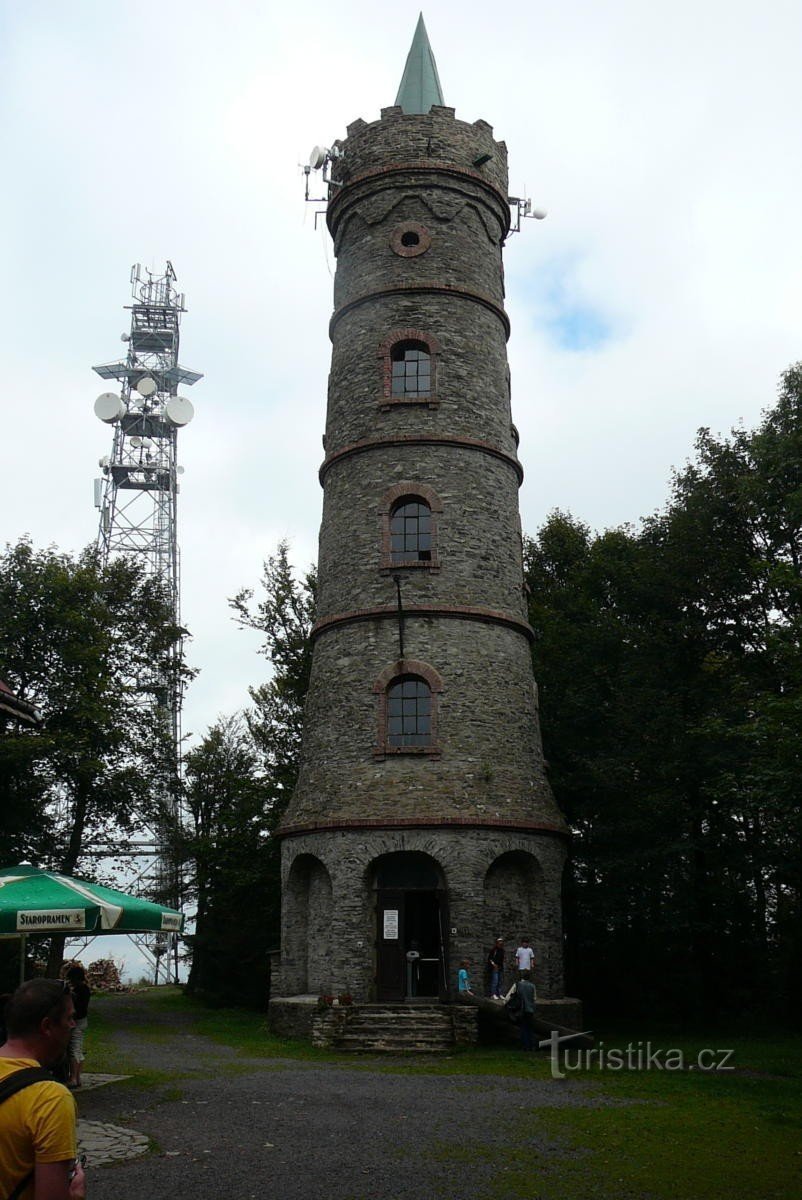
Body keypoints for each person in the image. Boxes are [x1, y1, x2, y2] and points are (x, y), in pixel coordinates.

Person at [0, 979, 86, 1199]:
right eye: (69, 1018)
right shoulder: (49, 1099)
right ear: (47, 1026)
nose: (73, 1025)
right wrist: (75, 1195)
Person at [64, 969, 90, 1090]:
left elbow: (78, 1007)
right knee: (78, 1049)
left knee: (74, 1049)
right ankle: (77, 1078)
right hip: (81, 1021)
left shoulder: (81, 990)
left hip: (78, 1022)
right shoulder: (84, 989)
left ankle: (73, 1077)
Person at [510, 969, 537, 1050]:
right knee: (530, 1028)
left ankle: (525, 1046)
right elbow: (534, 998)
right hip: (530, 1010)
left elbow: (510, 996)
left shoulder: (518, 985)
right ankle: (532, 1045)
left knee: (523, 1028)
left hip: (521, 1009)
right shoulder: (532, 986)